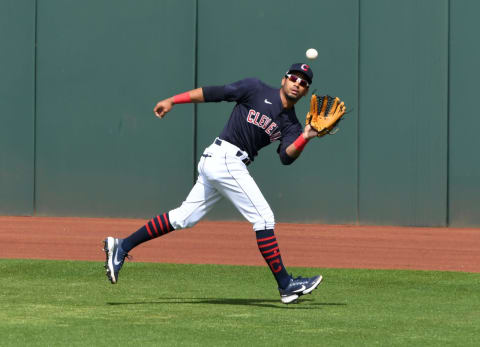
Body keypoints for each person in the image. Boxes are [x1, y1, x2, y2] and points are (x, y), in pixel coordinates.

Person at [104, 63, 323, 304]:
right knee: (263, 218)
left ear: (305, 91)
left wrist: (305, 137)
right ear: (284, 79)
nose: (297, 84)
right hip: (225, 158)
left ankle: (122, 246)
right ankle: (286, 284)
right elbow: (214, 93)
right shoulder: (256, 89)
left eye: (303, 83)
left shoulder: (291, 123)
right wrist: (173, 100)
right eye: (294, 78)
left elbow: (286, 157)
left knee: (183, 217)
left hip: (223, 163)